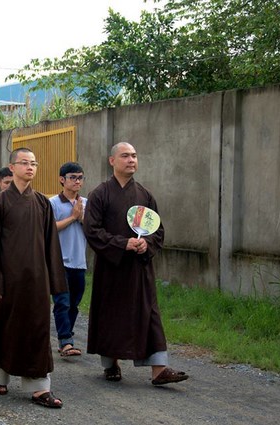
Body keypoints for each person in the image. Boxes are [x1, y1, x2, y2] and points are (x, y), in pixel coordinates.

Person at [83, 142, 189, 386]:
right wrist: (123, 243)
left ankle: (159, 369)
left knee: (149, 313)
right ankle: (110, 363)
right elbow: (92, 230)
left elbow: (157, 230)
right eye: (125, 156)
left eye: (134, 156)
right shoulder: (100, 194)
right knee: (111, 314)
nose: (131, 160)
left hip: (139, 268)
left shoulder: (144, 195)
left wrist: (145, 244)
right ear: (112, 161)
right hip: (111, 269)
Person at [0, 147, 66, 408]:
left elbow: (51, 244)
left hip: (37, 280)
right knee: (6, 328)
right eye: (25, 162)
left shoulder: (42, 203)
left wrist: (53, 280)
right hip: (8, 281)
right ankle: (1, 375)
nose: (30, 167)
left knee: (38, 329)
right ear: (12, 167)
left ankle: (39, 388)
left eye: (33, 163)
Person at [49, 162, 87, 357]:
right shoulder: (53, 203)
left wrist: (81, 218)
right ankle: (66, 341)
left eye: (80, 178)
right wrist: (72, 217)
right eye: (73, 177)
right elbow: (49, 229)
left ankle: (66, 337)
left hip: (79, 261)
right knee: (62, 302)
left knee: (74, 304)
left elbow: (93, 229)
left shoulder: (86, 203)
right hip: (59, 261)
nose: (77, 181)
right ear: (62, 180)